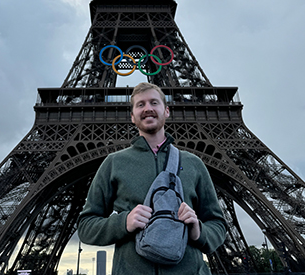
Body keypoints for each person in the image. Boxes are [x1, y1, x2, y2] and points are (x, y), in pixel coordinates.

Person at [77, 82, 227, 275]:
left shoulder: (194, 163)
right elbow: (85, 226)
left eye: (154, 103)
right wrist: (123, 223)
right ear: (132, 116)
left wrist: (198, 231)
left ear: (166, 111)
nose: (148, 108)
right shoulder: (114, 163)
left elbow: (218, 224)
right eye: (141, 104)